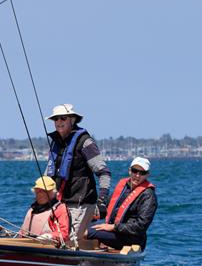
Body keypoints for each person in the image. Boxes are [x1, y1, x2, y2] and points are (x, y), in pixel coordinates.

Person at [45, 104, 111, 249]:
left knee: (68, 242)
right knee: (49, 238)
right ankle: (96, 249)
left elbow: (104, 173)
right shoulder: (55, 143)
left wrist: (102, 201)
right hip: (60, 204)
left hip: (82, 203)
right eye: (56, 119)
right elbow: (48, 176)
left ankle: (91, 257)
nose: (59, 122)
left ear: (72, 120)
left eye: (63, 118)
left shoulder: (85, 142)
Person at [88, 157, 157, 250]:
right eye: (135, 171)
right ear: (129, 171)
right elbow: (108, 207)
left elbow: (140, 226)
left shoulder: (148, 195)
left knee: (87, 232)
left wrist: (113, 227)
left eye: (142, 173)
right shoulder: (124, 187)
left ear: (147, 175)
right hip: (115, 231)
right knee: (80, 227)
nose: (137, 175)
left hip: (131, 238)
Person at [20, 176, 70, 246]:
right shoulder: (32, 210)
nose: (40, 194)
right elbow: (22, 233)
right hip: (26, 247)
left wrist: (49, 236)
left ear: (52, 193)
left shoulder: (59, 209)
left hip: (49, 248)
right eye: (38, 191)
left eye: (43, 191)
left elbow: (64, 233)